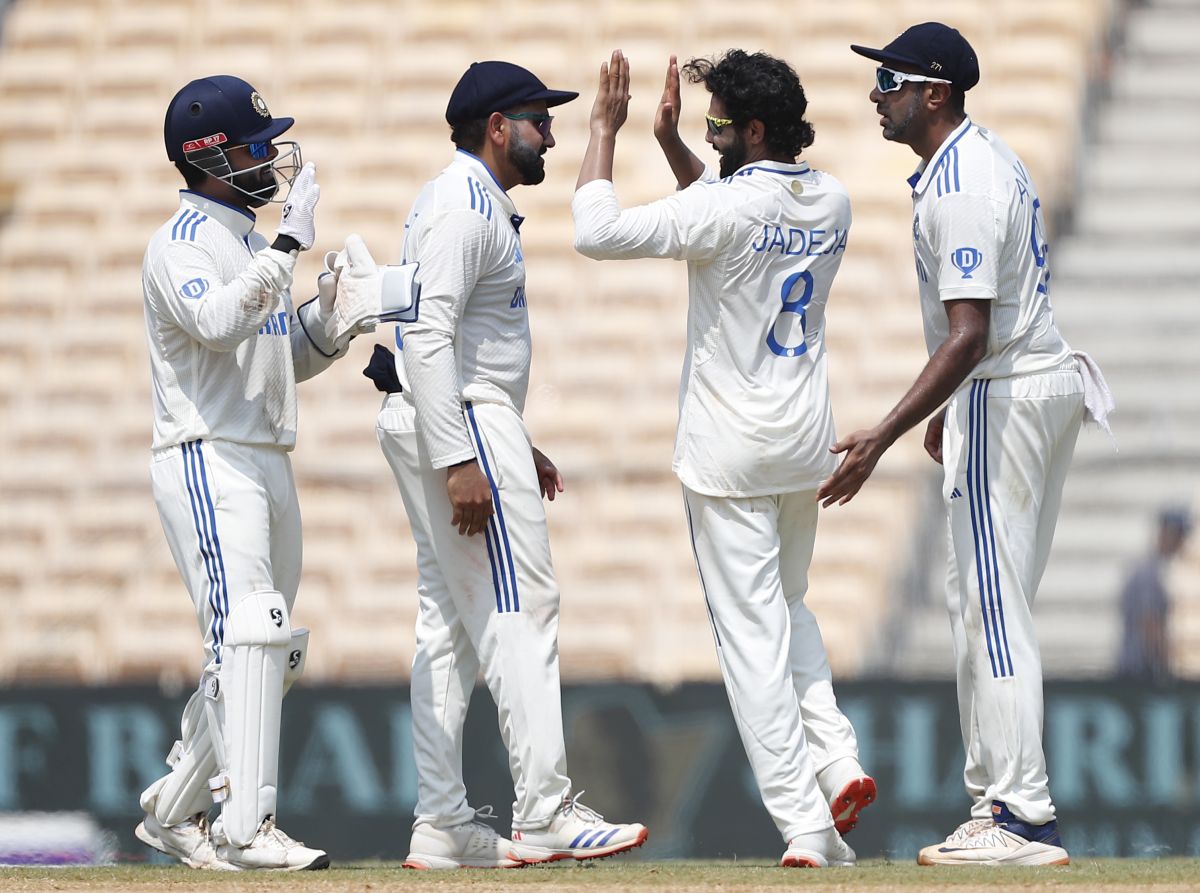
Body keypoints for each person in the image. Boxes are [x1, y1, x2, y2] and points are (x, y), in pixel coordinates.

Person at [572, 48, 875, 868]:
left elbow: (595, 231)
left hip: (730, 454)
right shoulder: (835, 200)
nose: (706, 140)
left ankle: (805, 823)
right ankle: (838, 758)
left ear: (752, 129)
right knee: (792, 607)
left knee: (751, 643)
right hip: (803, 442)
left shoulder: (727, 209)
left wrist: (607, 131)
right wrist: (680, 144)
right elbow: (729, 208)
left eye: (717, 129)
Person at [824, 23, 1112, 866]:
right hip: (1020, 383)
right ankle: (999, 803)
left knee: (992, 603)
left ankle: (1022, 815)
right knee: (986, 600)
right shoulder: (976, 159)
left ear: (935, 93)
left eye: (891, 83)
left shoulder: (963, 183)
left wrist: (884, 432)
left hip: (1011, 389)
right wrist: (953, 405)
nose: (878, 96)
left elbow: (969, 333)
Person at [369, 60, 648, 869]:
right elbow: (424, 336)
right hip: (456, 416)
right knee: (523, 607)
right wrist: (464, 454)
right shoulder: (464, 206)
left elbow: (446, 336)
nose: (551, 134)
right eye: (539, 120)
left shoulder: (457, 198)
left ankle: (441, 822)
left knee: (448, 628)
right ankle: (546, 809)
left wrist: (511, 439)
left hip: (452, 410)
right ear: (497, 128)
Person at [136, 75, 353, 871]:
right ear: (210, 156)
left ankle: (172, 806)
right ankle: (246, 825)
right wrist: (290, 246)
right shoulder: (180, 243)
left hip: (263, 450)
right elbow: (219, 323)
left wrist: (332, 324)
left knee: (271, 648)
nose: (272, 160)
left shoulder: (248, 245)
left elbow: (273, 356)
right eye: (258, 147)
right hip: (206, 454)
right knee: (249, 632)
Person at [1117, 507, 1192, 681]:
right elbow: (1150, 624)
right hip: (1140, 672)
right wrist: (1167, 669)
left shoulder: (1148, 569)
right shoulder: (1149, 573)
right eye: (1180, 536)